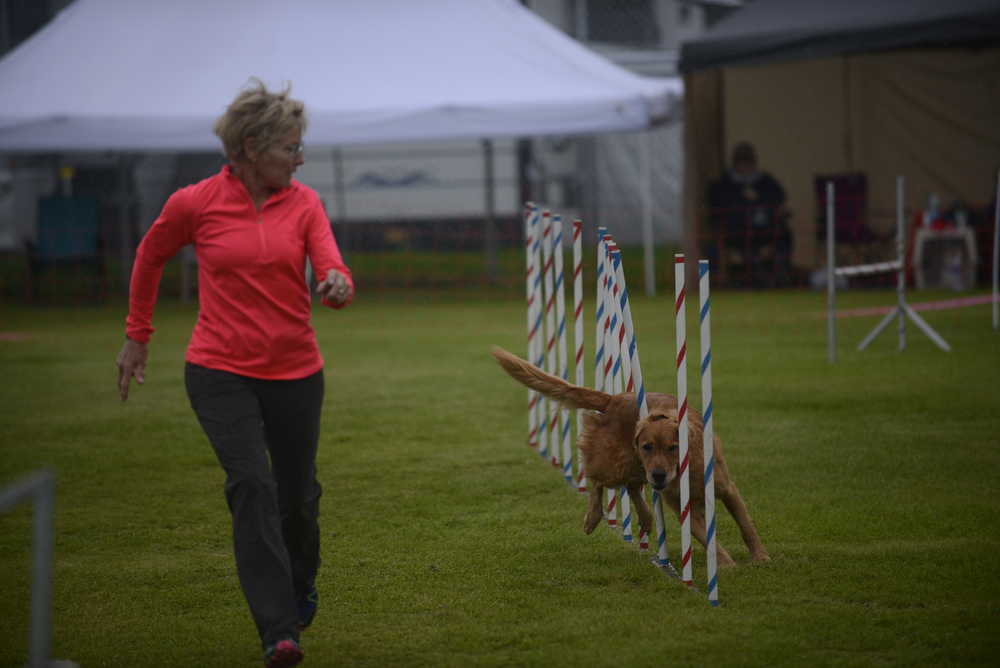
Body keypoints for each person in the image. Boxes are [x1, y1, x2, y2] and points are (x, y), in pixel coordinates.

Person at [115, 79, 353, 668]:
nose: (299, 159)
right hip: (219, 370)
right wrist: (137, 336)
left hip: (296, 370)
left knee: (298, 497)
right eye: (290, 148)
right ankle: (278, 631)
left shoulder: (304, 203)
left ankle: (299, 584)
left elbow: (330, 265)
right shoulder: (194, 202)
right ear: (250, 147)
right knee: (252, 486)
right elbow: (150, 255)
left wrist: (337, 284)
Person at [707, 141, 793, 285]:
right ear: (735, 164)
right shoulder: (723, 183)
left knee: (784, 235)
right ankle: (757, 275)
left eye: (748, 162)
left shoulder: (766, 181)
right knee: (743, 243)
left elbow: (779, 197)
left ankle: (780, 272)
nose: (745, 166)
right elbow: (717, 203)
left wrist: (759, 199)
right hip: (736, 230)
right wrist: (743, 200)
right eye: (742, 162)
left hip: (765, 228)